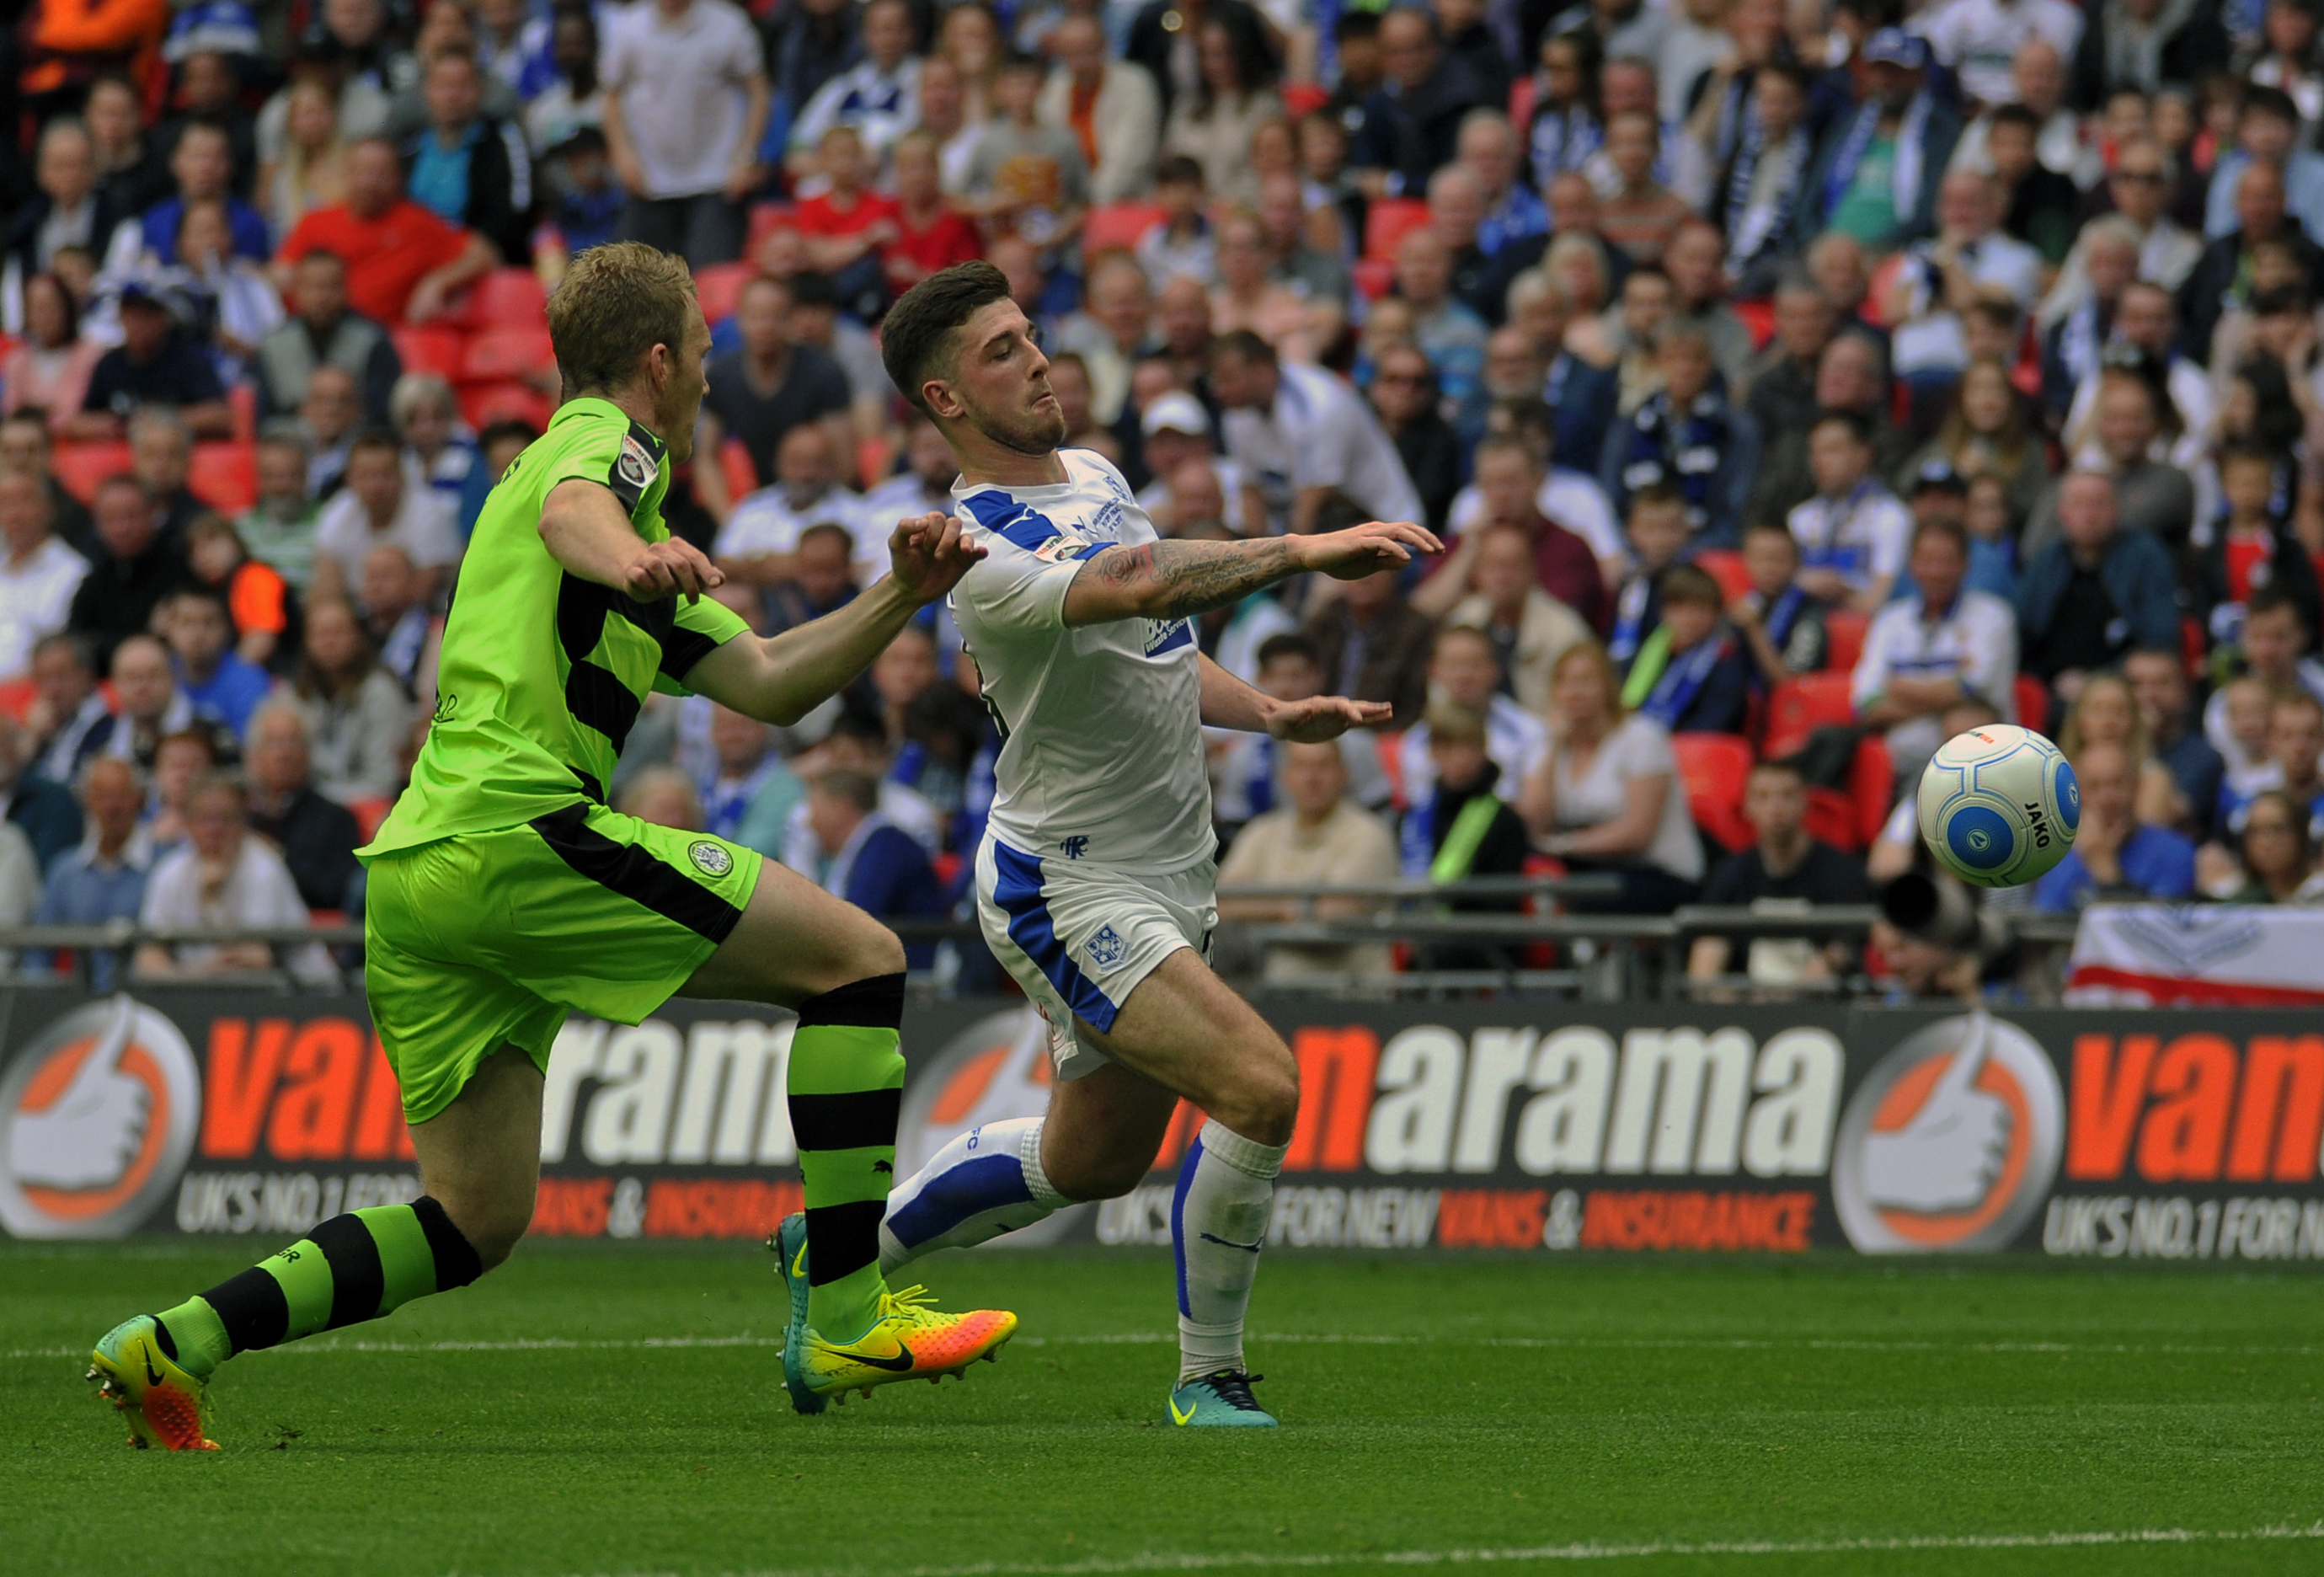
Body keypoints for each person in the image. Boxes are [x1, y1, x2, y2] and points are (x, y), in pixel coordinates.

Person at [87, 243, 1014, 1452]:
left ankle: (174, 1342)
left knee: (473, 1217)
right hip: (514, 831)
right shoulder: (603, 448)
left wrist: (898, 595)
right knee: (858, 961)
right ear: (658, 361)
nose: (710, 371)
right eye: (703, 348)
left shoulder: (619, 536)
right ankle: (845, 1314)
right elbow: (578, 509)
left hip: (420, 873)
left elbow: (773, 680)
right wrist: (630, 553)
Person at [860, 259, 1439, 1428]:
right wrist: (1299, 550)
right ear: (945, 401)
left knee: (1092, 1164)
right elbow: (1136, 583)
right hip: (1066, 881)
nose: (1037, 361)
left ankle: (833, 1249)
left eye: (1029, 335)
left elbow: (1156, 639)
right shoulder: (975, 551)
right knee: (1260, 1088)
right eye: (1000, 352)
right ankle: (1206, 1378)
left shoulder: (1095, 475)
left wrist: (1265, 712)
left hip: (1168, 871)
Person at [1519, 639, 1704, 912]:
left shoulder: (1641, 738)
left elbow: (1637, 834)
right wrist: (1553, 747)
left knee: (1575, 904)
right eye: (1564, 683)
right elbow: (1533, 823)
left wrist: (1562, 845)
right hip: (1587, 871)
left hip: (1656, 874)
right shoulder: (1548, 743)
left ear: (1608, 687)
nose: (1573, 692)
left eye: (1585, 681)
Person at [1215, 738, 1400, 983]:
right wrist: (1289, 908)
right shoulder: (1261, 832)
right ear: (1285, 775)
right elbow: (1222, 902)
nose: (1312, 778)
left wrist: (1259, 905)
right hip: (1265, 992)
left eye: (1323, 766)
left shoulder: (1370, 834)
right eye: (1301, 766)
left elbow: (1335, 914)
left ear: (1343, 774)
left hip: (1351, 992)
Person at [599, 0, 767, 264]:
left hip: (716, 178)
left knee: (711, 279)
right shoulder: (627, 27)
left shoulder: (729, 24)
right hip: (648, 179)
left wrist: (746, 156)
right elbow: (611, 95)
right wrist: (622, 155)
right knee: (642, 279)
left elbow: (758, 92)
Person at [1854, 518, 2020, 783]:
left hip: (1979, 765)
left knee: (1962, 725)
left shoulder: (1993, 616)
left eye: (1946, 561)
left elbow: (1971, 690)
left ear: (1965, 565)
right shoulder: (1890, 620)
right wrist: (1944, 700)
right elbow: (1865, 704)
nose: (1936, 571)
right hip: (1897, 766)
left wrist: (1898, 688)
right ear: (1911, 565)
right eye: (1927, 560)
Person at [131, 772, 336, 986]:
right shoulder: (171, 872)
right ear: (188, 823)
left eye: (226, 818)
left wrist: (212, 898)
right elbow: (148, 959)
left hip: (301, 992)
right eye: (204, 818)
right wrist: (195, 975)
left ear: (244, 822)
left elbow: (256, 960)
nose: (215, 829)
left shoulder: (264, 868)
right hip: (199, 990)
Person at [1210, 331, 1424, 535]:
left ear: (1261, 369)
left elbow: (1314, 498)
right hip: (1313, 527)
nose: (1218, 390)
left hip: (1386, 527)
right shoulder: (1236, 412)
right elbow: (1251, 492)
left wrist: (1282, 558)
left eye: (1228, 379)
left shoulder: (1320, 403)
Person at [1687, 758, 1874, 986]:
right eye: (1763, 796)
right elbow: (1705, 960)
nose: (1776, 808)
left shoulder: (1842, 873)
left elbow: (1842, 949)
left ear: (1805, 803)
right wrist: (1716, 996)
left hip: (1817, 1000)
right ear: (1746, 806)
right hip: (1746, 1000)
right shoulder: (1729, 874)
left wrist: (1796, 991)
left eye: (1787, 796)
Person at [275, 139, 497, 325]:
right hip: (316, 335)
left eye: (381, 174)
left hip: (386, 343)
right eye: (362, 172)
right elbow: (281, 273)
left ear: (397, 179)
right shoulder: (315, 222)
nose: (369, 183)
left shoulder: (417, 223)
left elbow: (485, 254)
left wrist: (438, 281)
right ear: (347, 175)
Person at [2017, 469, 2182, 701]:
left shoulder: (2146, 556)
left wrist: (2096, 683)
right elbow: (2025, 634)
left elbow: (2160, 640)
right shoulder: (2048, 560)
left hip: (2126, 691)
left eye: (2099, 504)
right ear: (2062, 513)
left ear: (2116, 509)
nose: (2089, 515)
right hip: (2050, 691)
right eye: (2079, 504)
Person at [695, 275, 854, 515]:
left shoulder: (823, 372)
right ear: (739, 320)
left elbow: (844, 464)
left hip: (823, 501)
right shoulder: (721, 376)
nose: (765, 326)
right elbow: (706, 459)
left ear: (791, 320)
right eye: (755, 316)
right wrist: (730, 521)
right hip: (764, 503)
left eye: (774, 316)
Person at [1805, 29, 1962, 253]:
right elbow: (1811, 198)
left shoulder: (1941, 131)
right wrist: (1815, 243)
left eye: (1896, 72)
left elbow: (1928, 214)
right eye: (1879, 71)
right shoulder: (1848, 124)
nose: (1887, 81)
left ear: (1918, 75)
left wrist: (1877, 250)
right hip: (1827, 250)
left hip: (1899, 252)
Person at [1602, 323, 1759, 546]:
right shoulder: (1630, 425)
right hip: (1637, 549)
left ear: (1710, 364)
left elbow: (1736, 509)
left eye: (1695, 359)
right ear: (1658, 362)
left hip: (1708, 551)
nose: (1685, 369)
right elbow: (1611, 501)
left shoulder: (1736, 429)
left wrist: (1692, 552)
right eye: (1673, 358)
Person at [1443, 526, 1595, 714]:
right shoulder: (1460, 621)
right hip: (1467, 728)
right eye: (1493, 566)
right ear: (1477, 572)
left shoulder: (1564, 632)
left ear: (1533, 570)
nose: (1503, 577)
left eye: (1513, 566)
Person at [2033, 740, 2197, 912]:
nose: (2107, 799)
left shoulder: (2175, 852)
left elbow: (2159, 924)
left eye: (2117, 785)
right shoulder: (2061, 857)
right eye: (2094, 787)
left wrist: (2106, 872)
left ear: (2136, 787)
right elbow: (2045, 921)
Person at [32, 756, 152, 989]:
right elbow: (38, 950)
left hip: (148, 1001)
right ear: (87, 801)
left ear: (138, 799)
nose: (112, 807)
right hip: (77, 999)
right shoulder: (65, 871)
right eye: (102, 796)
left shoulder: (162, 866)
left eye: (121, 795)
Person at [1397, 623, 1550, 805]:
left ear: (1495, 670)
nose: (1464, 675)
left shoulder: (1530, 732)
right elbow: (1419, 808)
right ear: (1434, 671)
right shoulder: (1415, 741)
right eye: (1453, 665)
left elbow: (1532, 812)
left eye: (1474, 664)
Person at [286, 592, 413, 804]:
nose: (328, 641)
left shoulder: (381, 693)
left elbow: (383, 780)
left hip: (368, 807)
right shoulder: (298, 693)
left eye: (338, 632)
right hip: (312, 805)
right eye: (319, 633)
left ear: (359, 636)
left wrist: (316, 802)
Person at [312, 428, 461, 603]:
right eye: (365, 475)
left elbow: (423, 594)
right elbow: (326, 593)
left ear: (402, 475)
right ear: (349, 479)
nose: (375, 486)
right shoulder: (336, 514)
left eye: (385, 474)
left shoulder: (431, 515)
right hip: (356, 615)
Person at [1787, 409, 1914, 612]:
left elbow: (1879, 601)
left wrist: (1842, 590)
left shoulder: (1891, 516)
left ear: (1863, 454)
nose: (1819, 461)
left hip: (1864, 626)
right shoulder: (1800, 517)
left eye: (1832, 450)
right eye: (1814, 452)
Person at [243, 701, 362, 911]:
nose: (283, 755)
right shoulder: (238, 817)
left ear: (309, 752)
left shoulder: (336, 819)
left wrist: (276, 860)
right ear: (254, 754)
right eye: (273, 743)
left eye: (293, 742)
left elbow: (335, 890)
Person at [256, 248, 401, 422]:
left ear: (346, 290)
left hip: (357, 434)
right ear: (297, 291)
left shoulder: (372, 339)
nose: (321, 298)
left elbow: (383, 409)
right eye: (312, 287)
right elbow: (264, 415)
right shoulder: (274, 344)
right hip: (291, 435)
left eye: (331, 287)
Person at [68, 475, 195, 668]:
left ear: (153, 513)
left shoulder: (182, 570)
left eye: (131, 516)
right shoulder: (94, 582)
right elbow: (77, 644)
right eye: (110, 518)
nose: (122, 528)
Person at [1621, 564, 1753, 735]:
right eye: (1680, 609)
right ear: (1664, 612)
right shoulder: (1647, 651)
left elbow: (1714, 724)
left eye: (1701, 610)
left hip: (1691, 747)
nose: (1690, 619)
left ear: (1717, 615)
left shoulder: (1726, 662)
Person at [2126, 644, 2225, 839]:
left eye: (2162, 684)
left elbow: (2158, 819)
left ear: (2184, 693)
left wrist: (2143, 738)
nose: (2149, 695)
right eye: (2136, 684)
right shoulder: (2105, 752)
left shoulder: (2203, 757)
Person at [0, 470, 91, 682]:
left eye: (25, 501)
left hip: (35, 689)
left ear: (48, 507)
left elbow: (64, 653)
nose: (14, 514)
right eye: (4, 503)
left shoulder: (73, 573)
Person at [1728, 519, 1829, 688]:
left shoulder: (1808, 614)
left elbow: (1789, 685)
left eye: (1779, 559)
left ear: (1796, 563)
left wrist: (1754, 629)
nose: (1769, 568)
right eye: (1760, 559)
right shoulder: (1739, 607)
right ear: (1745, 561)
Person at [163, 586, 272, 740]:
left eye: (209, 623)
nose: (198, 634)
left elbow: (251, 747)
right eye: (186, 622)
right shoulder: (158, 674)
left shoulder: (250, 682)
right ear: (168, 628)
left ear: (227, 629)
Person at [3, 272, 104, 427]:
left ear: (67, 308)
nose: (45, 316)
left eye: (51, 307)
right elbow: (13, 416)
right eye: (37, 308)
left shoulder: (92, 356)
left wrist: (37, 411)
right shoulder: (17, 361)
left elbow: (76, 413)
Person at [2218, 788, 2317, 902]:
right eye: (2255, 831)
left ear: (2300, 834)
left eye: (2277, 829)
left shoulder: (2318, 892)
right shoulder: (2230, 895)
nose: (2266, 841)